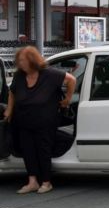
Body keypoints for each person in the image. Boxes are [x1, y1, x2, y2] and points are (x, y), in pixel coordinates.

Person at [4, 47, 76, 194]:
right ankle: (32, 182)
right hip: (24, 120)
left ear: (32, 60)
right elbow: (12, 93)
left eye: (23, 60)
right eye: (19, 61)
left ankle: (46, 182)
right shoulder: (19, 76)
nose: (20, 63)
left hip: (45, 121)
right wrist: (9, 110)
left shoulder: (49, 74)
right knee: (28, 150)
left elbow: (72, 79)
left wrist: (68, 99)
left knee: (43, 150)